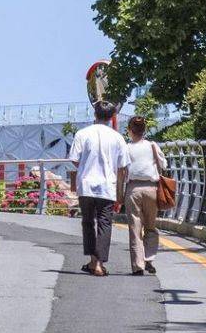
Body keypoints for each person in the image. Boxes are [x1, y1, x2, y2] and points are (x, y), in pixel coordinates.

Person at [69, 99, 129, 276]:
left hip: (86, 184)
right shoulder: (118, 138)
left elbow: (74, 159)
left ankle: (92, 261)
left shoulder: (82, 133)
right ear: (111, 117)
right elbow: (123, 165)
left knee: (88, 222)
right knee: (104, 223)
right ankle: (99, 263)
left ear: (95, 115)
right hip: (107, 186)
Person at [122, 114, 166, 275]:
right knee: (151, 227)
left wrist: (119, 194)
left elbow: (122, 170)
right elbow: (163, 164)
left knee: (135, 228)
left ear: (129, 130)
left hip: (133, 189)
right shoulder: (152, 145)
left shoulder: (126, 148)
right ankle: (149, 259)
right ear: (145, 130)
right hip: (151, 189)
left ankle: (138, 265)